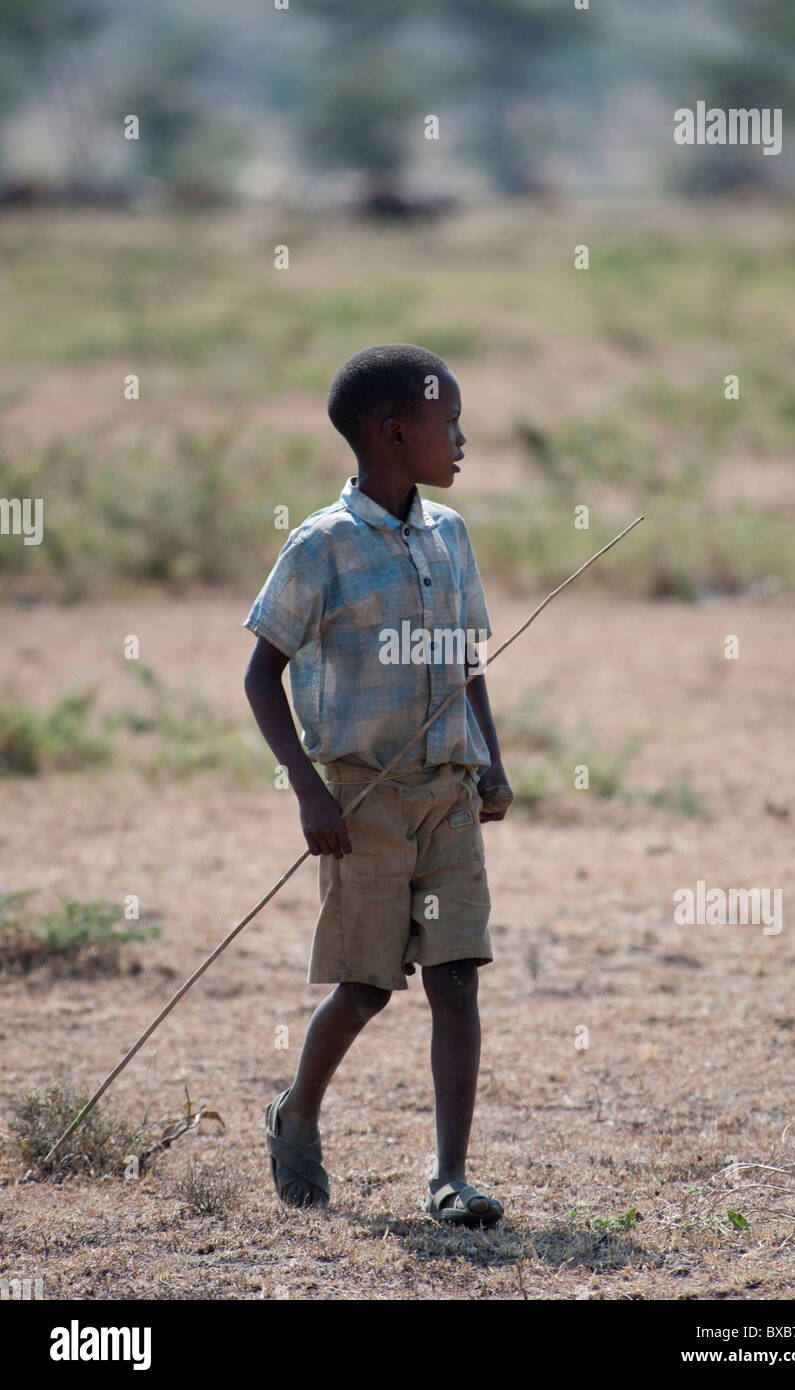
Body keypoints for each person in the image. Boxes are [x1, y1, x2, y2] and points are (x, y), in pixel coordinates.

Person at [243, 343, 512, 1225]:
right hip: (362, 801)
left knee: (457, 976)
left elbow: (465, 657)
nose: (463, 439)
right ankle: (297, 1113)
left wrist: (491, 758)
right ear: (398, 433)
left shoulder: (451, 535)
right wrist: (308, 791)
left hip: (448, 792)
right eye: (449, 424)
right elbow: (261, 675)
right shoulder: (323, 544)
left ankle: (450, 1177)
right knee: (364, 986)